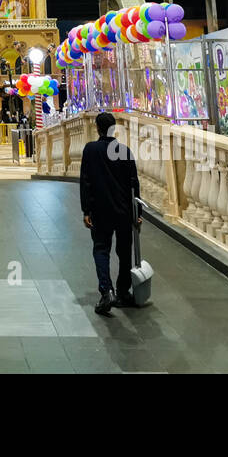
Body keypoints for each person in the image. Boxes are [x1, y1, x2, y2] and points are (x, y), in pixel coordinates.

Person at [79, 111, 140, 314]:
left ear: (97, 128)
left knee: (101, 249)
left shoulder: (90, 150)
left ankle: (107, 291)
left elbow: (85, 181)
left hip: (100, 210)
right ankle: (123, 291)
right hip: (123, 211)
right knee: (124, 252)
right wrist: (137, 211)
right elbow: (134, 185)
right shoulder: (124, 151)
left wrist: (86, 209)